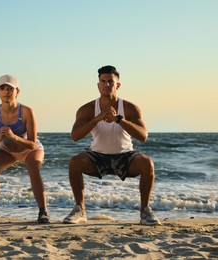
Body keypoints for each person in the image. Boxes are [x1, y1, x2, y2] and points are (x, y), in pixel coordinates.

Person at [63, 65, 161, 226]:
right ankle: (79, 209)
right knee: (75, 162)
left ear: (118, 85)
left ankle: (145, 211)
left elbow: (143, 136)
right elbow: (75, 136)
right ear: (98, 85)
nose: (106, 84)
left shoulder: (130, 108)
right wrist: (97, 118)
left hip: (125, 155)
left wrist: (119, 119)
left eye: (110, 81)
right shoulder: (87, 109)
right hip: (97, 156)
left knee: (146, 163)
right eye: (103, 81)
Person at [0, 74, 50, 224]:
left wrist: (14, 136)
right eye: (2, 88)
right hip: (7, 149)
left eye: (10, 89)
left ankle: (43, 211)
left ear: (17, 91)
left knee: (34, 170)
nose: (6, 92)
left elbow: (32, 143)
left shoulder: (26, 112)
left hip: (29, 148)